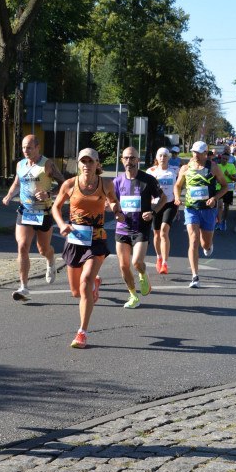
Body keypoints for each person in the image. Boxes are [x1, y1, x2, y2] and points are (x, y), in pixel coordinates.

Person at [51, 147, 124, 348]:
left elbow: (114, 202)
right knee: (76, 292)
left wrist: (117, 212)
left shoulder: (106, 184)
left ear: (97, 164)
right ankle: (94, 284)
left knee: (84, 284)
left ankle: (82, 333)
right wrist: (61, 224)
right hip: (75, 241)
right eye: (83, 161)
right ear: (78, 164)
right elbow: (56, 207)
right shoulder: (69, 184)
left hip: (97, 240)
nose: (86, 165)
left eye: (90, 161)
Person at [1, 134, 66, 301]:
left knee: (43, 249)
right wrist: (9, 195)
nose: (26, 151)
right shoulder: (20, 164)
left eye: (29, 147)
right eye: (23, 147)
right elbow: (17, 183)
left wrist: (48, 194)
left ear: (38, 147)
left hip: (43, 213)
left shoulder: (47, 165)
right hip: (25, 212)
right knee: (22, 246)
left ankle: (50, 260)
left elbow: (64, 185)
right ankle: (24, 287)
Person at [113, 147, 166, 309]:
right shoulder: (117, 181)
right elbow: (110, 202)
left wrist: (153, 212)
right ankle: (133, 296)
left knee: (136, 262)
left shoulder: (148, 180)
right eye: (126, 158)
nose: (129, 161)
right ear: (122, 160)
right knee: (123, 266)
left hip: (141, 228)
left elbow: (163, 198)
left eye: (132, 158)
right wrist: (116, 212)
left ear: (138, 160)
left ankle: (143, 273)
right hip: (122, 228)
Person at [174, 140, 228, 289]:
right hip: (191, 209)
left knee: (205, 243)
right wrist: (177, 198)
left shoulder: (214, 168)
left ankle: (208, 246)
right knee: (193, 240)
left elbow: (225, 186)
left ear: (205, 153)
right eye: (194, 152)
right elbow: (177, 185)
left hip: (208, 210)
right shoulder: (185, 168)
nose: (195, 155)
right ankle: (195, 276)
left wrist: (215, 198)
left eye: (198, 153)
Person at [145, 147, 181, 274]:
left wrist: (178, 196)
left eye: (165, 156)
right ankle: (159, 257)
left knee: (164, 231)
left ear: (169, 158)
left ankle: (165, 263)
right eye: (160, 156)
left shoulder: (175, 170)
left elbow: (181, 183)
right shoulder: (150, 171)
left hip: (170, 203)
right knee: (156, 233)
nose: (162, 158)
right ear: (156, 157)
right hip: (155, 204)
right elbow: (145, 188)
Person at [216, 152, 236, 232]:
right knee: (220, 205)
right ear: (220, 159)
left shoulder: (231, 166)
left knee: (226, 207)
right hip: (219, 187)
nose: (224, 160)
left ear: (228, 160)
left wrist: (229, 175)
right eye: (223, 158)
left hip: (229, 188)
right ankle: (219, 222)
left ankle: (224, 220)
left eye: (226, 159)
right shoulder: (217, 167)